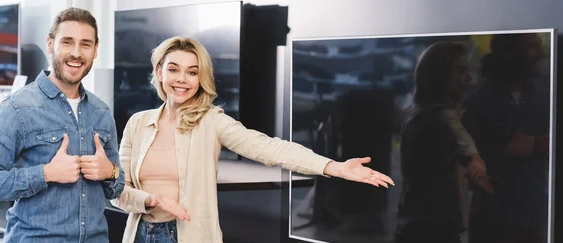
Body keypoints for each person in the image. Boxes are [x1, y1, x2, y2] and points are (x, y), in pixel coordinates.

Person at [110, 36, 395, 243]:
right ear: (159, 72)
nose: (182, 79)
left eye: (192, 72)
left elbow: (268, 147)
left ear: (201, 78)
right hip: (139, 235)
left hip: (188, 237)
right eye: (173, 69)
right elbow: (119, 191)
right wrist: (150, 199)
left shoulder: (211, 121)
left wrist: (334, 166)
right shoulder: (138, 123)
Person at [0, 7, 125, 242]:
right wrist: (45, 173)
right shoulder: (16, 108)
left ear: (95, 50)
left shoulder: (101, 112)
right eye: (67, 42)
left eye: (85, 44)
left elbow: (117, 187)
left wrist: (109, 172)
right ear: (50, 44)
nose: (76, 53)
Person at [395, 41, 492, 243]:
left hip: (416, 225)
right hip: (433, 229)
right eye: (461, 71)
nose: (469, 79)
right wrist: (475, 159)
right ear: (440, 76)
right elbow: (460, 138)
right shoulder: (439, 115)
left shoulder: (417, 113)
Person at [462, 33, 550, 243]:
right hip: (493, 222)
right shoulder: (475, 101)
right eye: (532, 47)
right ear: (509, 52)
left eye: (540, 46)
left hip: (534, 220)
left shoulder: (546, 95)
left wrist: (539, 144)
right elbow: (459, 164)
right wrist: (502, 153)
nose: (541, 54)